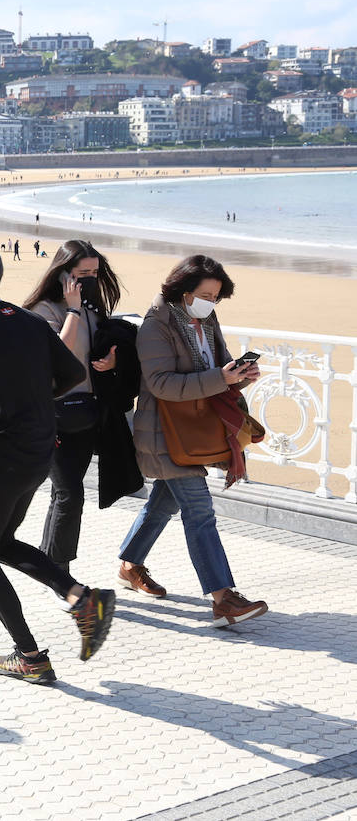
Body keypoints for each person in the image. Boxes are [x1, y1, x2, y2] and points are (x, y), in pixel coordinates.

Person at [0, 241, 116, 685]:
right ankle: (82, 599)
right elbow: (74, 374)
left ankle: (30, 657)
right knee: (1, 542)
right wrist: (35, 404)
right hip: (41, 449)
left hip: (2, 454)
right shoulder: (26, 320)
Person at [118, 255, 269, 626]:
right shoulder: (156, 325)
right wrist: (222, 377)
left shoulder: (207, 319)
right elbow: (162, 384)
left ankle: (129, 565)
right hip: (164, 433)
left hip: (194, 430)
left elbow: (220, 364)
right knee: (199, 511)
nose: (211, 303)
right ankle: (223, 598)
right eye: (206, 295)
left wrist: (241, 374)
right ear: (184, 292)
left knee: (163, 504)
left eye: (217, 297)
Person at [24, 240, 127, 571]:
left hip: (86, 413)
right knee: (71, 495)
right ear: (64, 273)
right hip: (51, 415)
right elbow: (57, 352)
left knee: (64, 493)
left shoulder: (92, 309)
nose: (91, 280)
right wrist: (71, 308)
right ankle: (60, 572)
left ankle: (49, 560)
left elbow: (94, 350)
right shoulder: (43, 310)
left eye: (95, 273)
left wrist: (112, 362)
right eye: (83, 273)